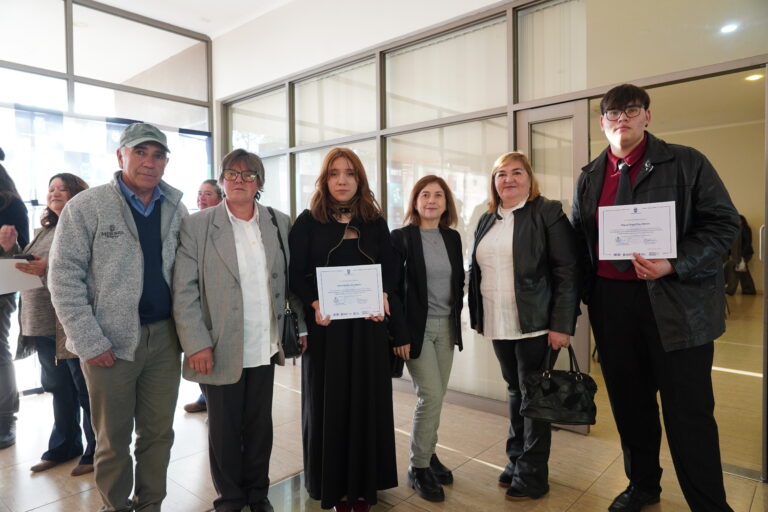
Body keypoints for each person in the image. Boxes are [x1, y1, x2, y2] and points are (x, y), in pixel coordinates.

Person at [571, 83, 738, 512]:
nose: (621, 119)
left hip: (676, 303)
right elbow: (579, 245)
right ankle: (643, 485)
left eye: (631, 110)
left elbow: (724, 225)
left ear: (647, 116)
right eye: (613, 113)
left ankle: (709, 504)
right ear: (602, 122)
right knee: (630, 406)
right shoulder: (589, 177)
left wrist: (674, 263)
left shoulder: (686, 162)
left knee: (688, 412)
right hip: (612, 304)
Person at [49, 123, 188, 512]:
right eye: (140, 152)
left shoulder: (175, 207)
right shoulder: (87, 206)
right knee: (112, 440)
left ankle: (150, 505)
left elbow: (186, 275)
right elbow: (63, 278)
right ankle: (115, 507)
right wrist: (90, 341)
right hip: (109, 343)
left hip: (165, 340)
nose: (149, 162)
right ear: (120, 155)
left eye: (158, 155)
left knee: (158, 434)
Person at [173, 149, 306, 512]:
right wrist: (196, 343)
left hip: (265, 342)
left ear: (259, 182)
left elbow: (290, 281)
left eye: (249, 175)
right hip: (219, 346)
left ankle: (258, 494)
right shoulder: (198, 225)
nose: (240, 181)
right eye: (232, 173)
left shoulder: (278, 222)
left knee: (260, 426)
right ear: (222, 179)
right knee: (225, 430)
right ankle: (230, 499)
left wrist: (300, 327)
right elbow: (184, 290)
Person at [288, 147, 402, 512]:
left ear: (359, 180)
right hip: (327, 330)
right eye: (335, 173)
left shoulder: (375, 221)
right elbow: (295, 273)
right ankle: (334, 486)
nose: (342, 180)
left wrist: (382, 294)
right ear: (325, 180)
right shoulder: (308, 221)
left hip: (368, 329)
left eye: (349, 173)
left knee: (367, 403)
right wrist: (314, 303)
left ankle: (365, 486)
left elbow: (391, 268)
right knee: (329, 405)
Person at [468, 152, 579, 501]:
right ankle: (517, 459)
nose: (509, 179)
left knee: (535, 396)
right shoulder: (487, 219)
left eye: (517, 172)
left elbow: (567, 271)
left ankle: (533, 474)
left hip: (537, 324)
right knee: (515, 390)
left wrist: (561, 324)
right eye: (501, 174)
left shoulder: (547, 212)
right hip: (498, 321)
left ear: (530, 179)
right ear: (494, 182)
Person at [1, 173, 96, 476]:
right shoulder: (46, 230)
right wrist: (10, 249)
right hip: (43, 323)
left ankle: (96, 451)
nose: (54, 193)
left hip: (69, 324)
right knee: (58, 387)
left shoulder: (85, 226)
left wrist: (48, 268)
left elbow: (92, 271)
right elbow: (25, 268)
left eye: (62, 188)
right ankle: (64, 446)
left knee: (85, 390)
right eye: (51, 188)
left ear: (77, 194)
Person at [390, 175, 464, 503]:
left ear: (446, 203)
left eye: (438, 195)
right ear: (415, 201)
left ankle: (428, 454)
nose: (431, 200)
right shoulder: (402, 237)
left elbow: (458, 282)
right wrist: (400, 333)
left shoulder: (452, 238)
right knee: (430, 395)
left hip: (446, 327)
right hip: (416, 331)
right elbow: (392, 290)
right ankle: (418, 467)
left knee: (437, 395)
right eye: (425, 195)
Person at [183, 178, 224, 415]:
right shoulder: (192, 224)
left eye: (208, 194)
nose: (202, 198)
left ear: (220, 197)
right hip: (195, 301)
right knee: (200, 353)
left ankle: (211, 402)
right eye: (199, 193)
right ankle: (206, 398)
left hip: (218, 303)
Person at [0, 148, 29, 450]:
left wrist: (7, 247)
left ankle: (5, 418)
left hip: (2, 287)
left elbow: (21, 253)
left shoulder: (9, 203)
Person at [724, 214, 756, 295]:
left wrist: (742, 256)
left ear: (741, 220)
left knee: (734, 269)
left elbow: (747, 243)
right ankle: (749, 290)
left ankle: (730, 290)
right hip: (740, 254)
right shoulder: (736, 230)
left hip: (744, 253)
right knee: (743, 271)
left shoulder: (745, 229)